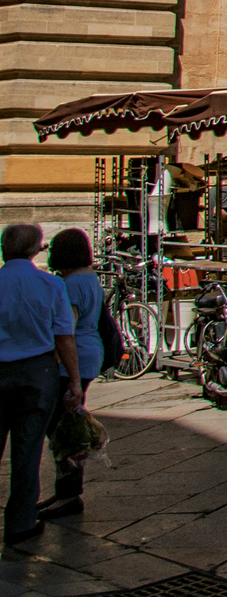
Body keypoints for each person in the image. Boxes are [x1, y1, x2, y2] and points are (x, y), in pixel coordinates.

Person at [0, 224, 77, 546]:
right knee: (27, 451)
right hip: (37, 372)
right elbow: (64, 337)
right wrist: (74, 381)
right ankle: (19, 524)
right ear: (35, 250)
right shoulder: (51, 284)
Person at [39, 230, 104, 521]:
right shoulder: (90, 277)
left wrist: (54, 362)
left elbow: (67, 328)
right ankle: (65, 492)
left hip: (73, 359)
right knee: (65, 425)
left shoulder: (71, 284)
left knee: (61, 430)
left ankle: (69, 494)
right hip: (91, 353)